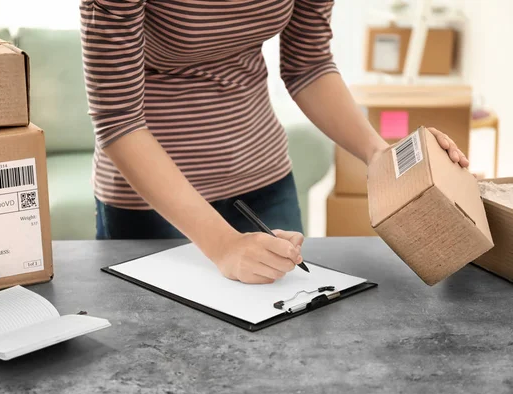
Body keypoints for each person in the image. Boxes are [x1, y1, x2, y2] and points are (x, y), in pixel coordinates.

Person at [79, 0, 469, 284]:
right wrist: (222, 244)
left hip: (263, 180)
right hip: (156, 204)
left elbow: (309, 63)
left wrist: (379, 153)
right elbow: (118, 117)